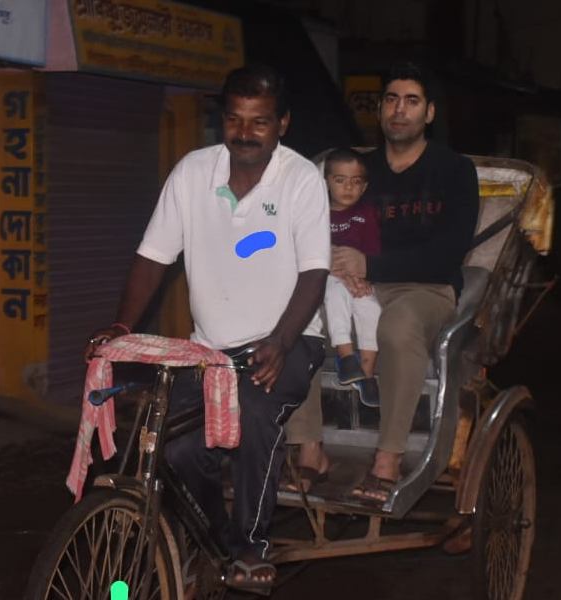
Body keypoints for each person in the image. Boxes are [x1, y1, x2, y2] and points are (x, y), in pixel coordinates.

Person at [84, 64, 330, 593]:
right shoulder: (194, 173)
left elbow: (314, 274)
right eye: (236, 120)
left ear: (281, 123)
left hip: (290, 339)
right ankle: (213, 538)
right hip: (210, 351)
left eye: (259, 122)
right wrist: (122, 325)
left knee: (257, 416)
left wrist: (281, 342)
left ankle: (250, 548)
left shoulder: (302, 179)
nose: (245, 132)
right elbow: (153, 257)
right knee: (175, 451)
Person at [285, 61, 480, 502]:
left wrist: (369, 266)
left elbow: (449, 253)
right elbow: (318, 224)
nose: (399, 110)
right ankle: (310, 448)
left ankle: (387, 459)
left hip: (425, 290)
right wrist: (336, 263)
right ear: (380, 110)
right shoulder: (357, 171)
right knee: (296, 320)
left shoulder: (453, 171)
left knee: (397, 326)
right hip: (349, 283)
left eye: (411, 101)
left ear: (428, 113)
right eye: (391, 100)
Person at [323, 148, 382, 408]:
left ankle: (367, 375)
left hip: (358, 279)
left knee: (370, 305)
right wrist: (334, 269)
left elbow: (372, 252)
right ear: (326, 181)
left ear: (365, 186)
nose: (348, 187)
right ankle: (346, 356)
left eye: (355, 182)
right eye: (340, 180)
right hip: (329, 277)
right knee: (335, 293)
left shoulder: (366, 214)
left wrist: (362, 278)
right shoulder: (318, 212)